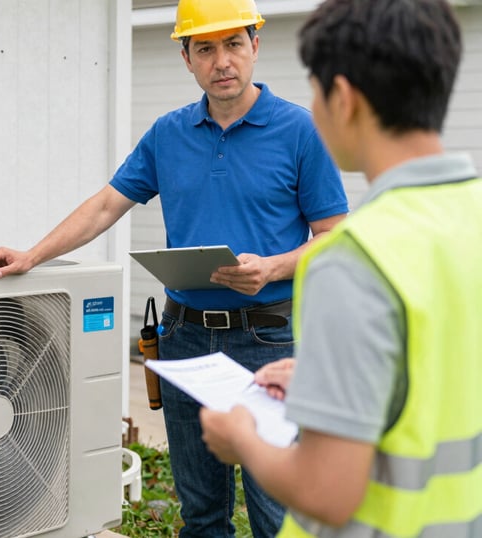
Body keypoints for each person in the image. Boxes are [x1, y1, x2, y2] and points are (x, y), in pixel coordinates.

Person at [0, 0, 348, 535]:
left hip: (270, 341)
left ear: (255, 46)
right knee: (201, 512)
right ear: (186, 58)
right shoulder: (167, 134)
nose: (222, 61)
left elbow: (334, 238)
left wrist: (276, 267)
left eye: (234, 44)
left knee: (278, 513)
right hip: (186, 338)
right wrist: (33, 254)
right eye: (206, 48)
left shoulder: (300, 132)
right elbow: (106, 205)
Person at [200, 0, 482, 536]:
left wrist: (243, 441)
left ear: (343, 98)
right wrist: (327, 381)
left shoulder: (352, 259)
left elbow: (326, 493)